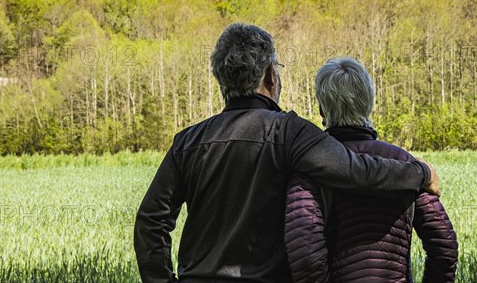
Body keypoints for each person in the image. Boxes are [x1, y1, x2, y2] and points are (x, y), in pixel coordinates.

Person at [134, 24, 440, 283]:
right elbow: (356, 171)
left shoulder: (187, 142)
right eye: (277, 68)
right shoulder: (289, 132)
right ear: (269, 75)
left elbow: (151, 221)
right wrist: (420, 173)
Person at [285, 57, 458, 283]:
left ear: (321, 110)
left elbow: (305, 256)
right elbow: (445, 247)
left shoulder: (308, 174)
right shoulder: (406, 165)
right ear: (370, 104)